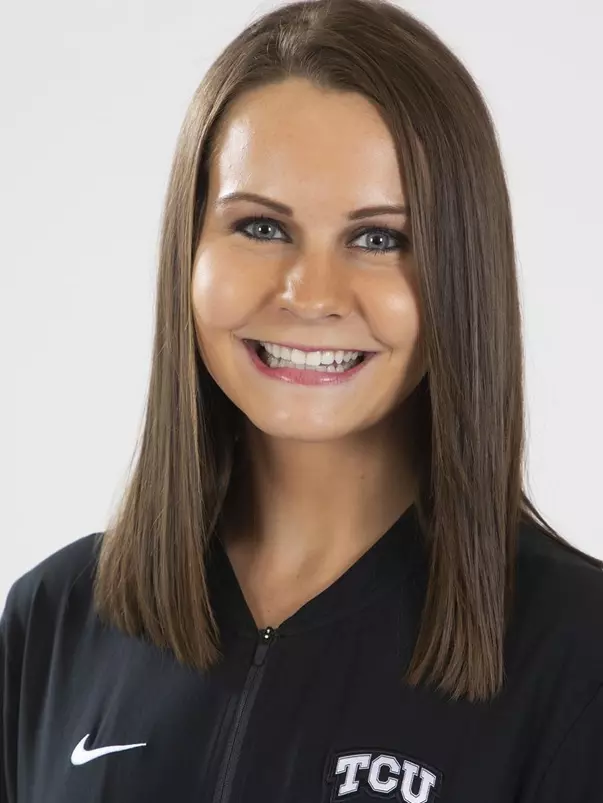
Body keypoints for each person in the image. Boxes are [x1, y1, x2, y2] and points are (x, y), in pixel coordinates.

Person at [2, 0, 603, 801]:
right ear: (190, 250)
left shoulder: (577, 653)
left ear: (463, 274)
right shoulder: (54, 619)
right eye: (259, 227)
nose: (311, 293)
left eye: (379, 238)